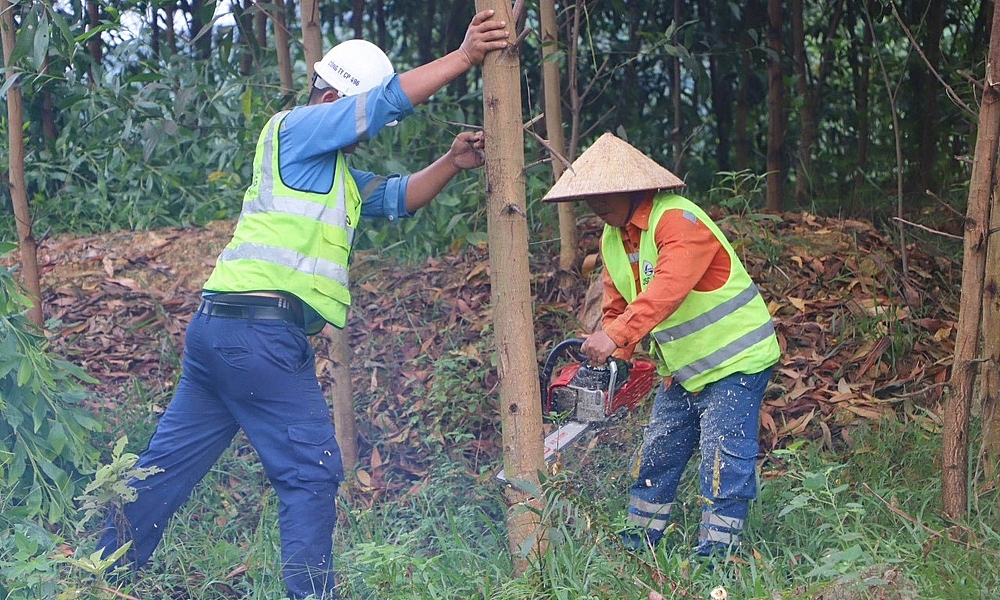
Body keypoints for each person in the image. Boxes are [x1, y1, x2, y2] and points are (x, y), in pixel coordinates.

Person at [96, 11, 509, 599]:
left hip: (221, 332)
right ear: (334, 96)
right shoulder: (296, 128)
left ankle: (94, 573)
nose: (363, 128)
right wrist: (464, 57)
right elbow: (384, 103)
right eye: (356, 112)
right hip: (259, 335)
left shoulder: (332, 170)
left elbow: (395, 197)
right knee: (312, 470)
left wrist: (449, 164)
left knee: (167, 465)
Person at [542, 133, 781, 558]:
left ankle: (717, 557)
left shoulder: (678, 220)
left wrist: (614, 337)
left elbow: (667, 290)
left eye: (603, 194)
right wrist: (611, 360)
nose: (595, 204)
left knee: (721, 459)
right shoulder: (613, 239)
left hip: (736, 360)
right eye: (588, 197)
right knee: (658, 453)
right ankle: (639, 542)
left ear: (631, 187)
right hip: (682, 371)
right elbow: (616, 306)